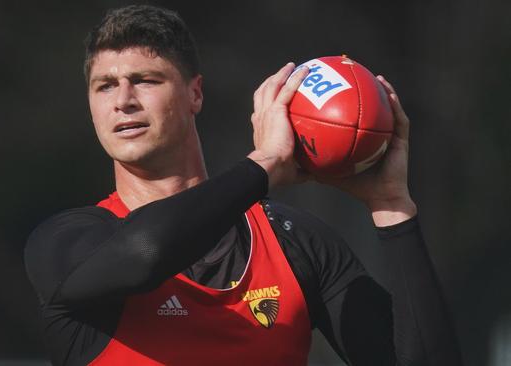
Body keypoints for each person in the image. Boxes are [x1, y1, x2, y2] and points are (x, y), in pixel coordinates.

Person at [24, 5, 462, 365]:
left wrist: (393, 210)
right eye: (105, 86)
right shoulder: (67, 243)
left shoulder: (295, 243)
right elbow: (146, 255)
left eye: (145, 80)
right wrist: (265, 164)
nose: (123, 100)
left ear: (195, 94)